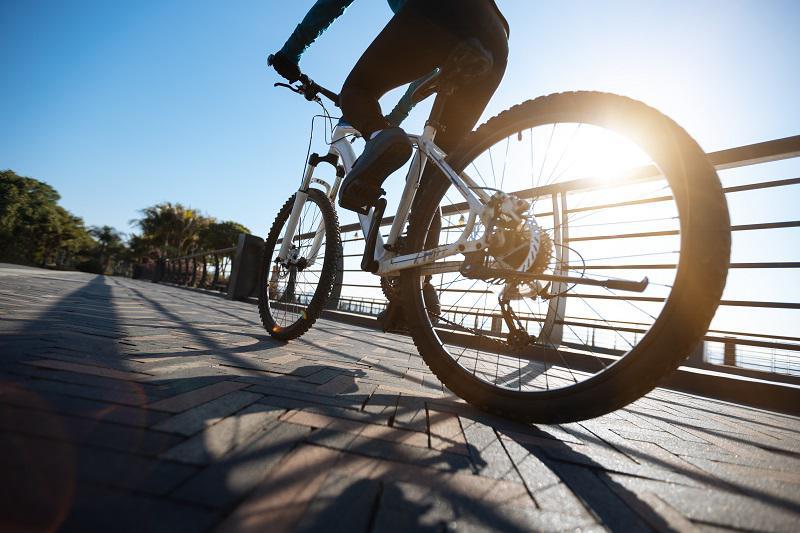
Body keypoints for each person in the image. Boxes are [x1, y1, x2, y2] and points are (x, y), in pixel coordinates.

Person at [270, 0, 509, 330]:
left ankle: (414, 292)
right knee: (432, 174)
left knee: (357, 90)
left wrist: (290, 52)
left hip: (440, 14)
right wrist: (388, 125)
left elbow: (332, 4)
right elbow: (423, 76)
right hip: (495, 38)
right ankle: (415, 294)